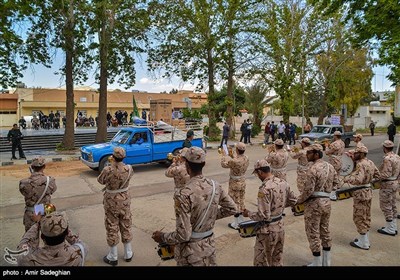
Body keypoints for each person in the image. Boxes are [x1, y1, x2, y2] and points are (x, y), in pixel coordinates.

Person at [152, 147, 237, 266]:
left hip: (191, 254)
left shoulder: (183, 194)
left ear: (186, 164)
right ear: (204, 164)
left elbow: (183, 235)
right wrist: (209, 216)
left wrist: (163, 237)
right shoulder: (215, 185)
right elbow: (233, 208)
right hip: (209, 247)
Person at [243, 159, 297, 266]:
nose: (258, 177)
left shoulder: (264, 189)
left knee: (262, 262)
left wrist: (248, 213)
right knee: (277, 260)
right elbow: (294, 201)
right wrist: (278, 207)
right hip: (280, 227)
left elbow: (263, 216)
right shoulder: (283, 182)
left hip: (267, 231)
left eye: (257, 174)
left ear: (260, 172)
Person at [297, 144, 339, 266]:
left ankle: (317, 262)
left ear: (316, 154)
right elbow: (337, 183)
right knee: (325, 230)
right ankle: (327, 262)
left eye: (309, 153)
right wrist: (327, 192)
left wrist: (299, 200)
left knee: (313, 232)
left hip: (314, 203)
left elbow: (308, 191)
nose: (307, 155)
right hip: (326, 202)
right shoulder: (330, 166)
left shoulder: (313, 169)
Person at [97, 147, 134, 266]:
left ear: (113, 157)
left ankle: (113, 256)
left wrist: (109, 166)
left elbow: (100, 181)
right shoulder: (129, 169)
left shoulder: (108, 169)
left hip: (111, 201)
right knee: (126, 223)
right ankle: (128, 253)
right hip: (125, 200)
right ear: (124, 157)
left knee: (111, 225)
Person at [341, 145, 380, 250]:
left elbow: (358, 180)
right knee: (366, 216)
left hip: (360, 193)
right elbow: (378, 175)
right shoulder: (370, 162)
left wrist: (347, 180)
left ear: (362, 154)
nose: (354, 155)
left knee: (359, 217)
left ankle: (363, 243)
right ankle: (364, 239)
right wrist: (369, 180)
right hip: (368, 191)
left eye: (356, 153)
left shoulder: (360, 164)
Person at [16, 211, 87, 266]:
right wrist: (63, 227)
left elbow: (23, 244)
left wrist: (38, 224)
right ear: (66, 233)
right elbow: (77, 242)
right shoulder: (79, 252)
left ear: (42, 237)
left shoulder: (27, 259)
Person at [164, 148, 190, 264]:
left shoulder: (178, 168)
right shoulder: (191, 166)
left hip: (180, 194)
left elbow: (167, 173)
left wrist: (174, 162)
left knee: (180, 217)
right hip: (191, 192)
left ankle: (181, 237)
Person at [19, 157, 58, 232]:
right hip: (47, 210)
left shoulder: (23, 182)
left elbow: (24, 193)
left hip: (32, 212)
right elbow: (53, 190)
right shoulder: (50, 180)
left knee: (31, 238)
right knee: (49, 236)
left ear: (32, 167)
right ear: (44, 167)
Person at [220, 142, 250, 229]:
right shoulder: (246, 158)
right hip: (242, 181)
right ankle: (241, 220)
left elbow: (224, 164)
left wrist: (224, 156)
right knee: (241, 201)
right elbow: (236, 161)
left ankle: (237, 224)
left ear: (237, 150)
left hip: (234, 183)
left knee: (234, 202)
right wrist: (232, 155)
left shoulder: (234, 161)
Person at [377, 140, 400, 236]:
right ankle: (393, 226)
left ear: (384, 148)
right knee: (392, 205)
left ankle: (390, 228)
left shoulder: (387, 159)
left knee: (386, 205)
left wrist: (377, 177)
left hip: (387, 184)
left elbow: (386, 174)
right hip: (394, 182)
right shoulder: (397, 157)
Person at [324, 131, 345, 199]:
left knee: (332, 176)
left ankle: (333, 193)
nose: (333, 137)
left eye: (334, 136)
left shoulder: (334, 143)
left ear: (335, 136)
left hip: (334, 161)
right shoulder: (342, 142)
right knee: (338, 175)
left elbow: (327, 152)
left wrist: (326, 146)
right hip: (340, 160)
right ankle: (338, 189)